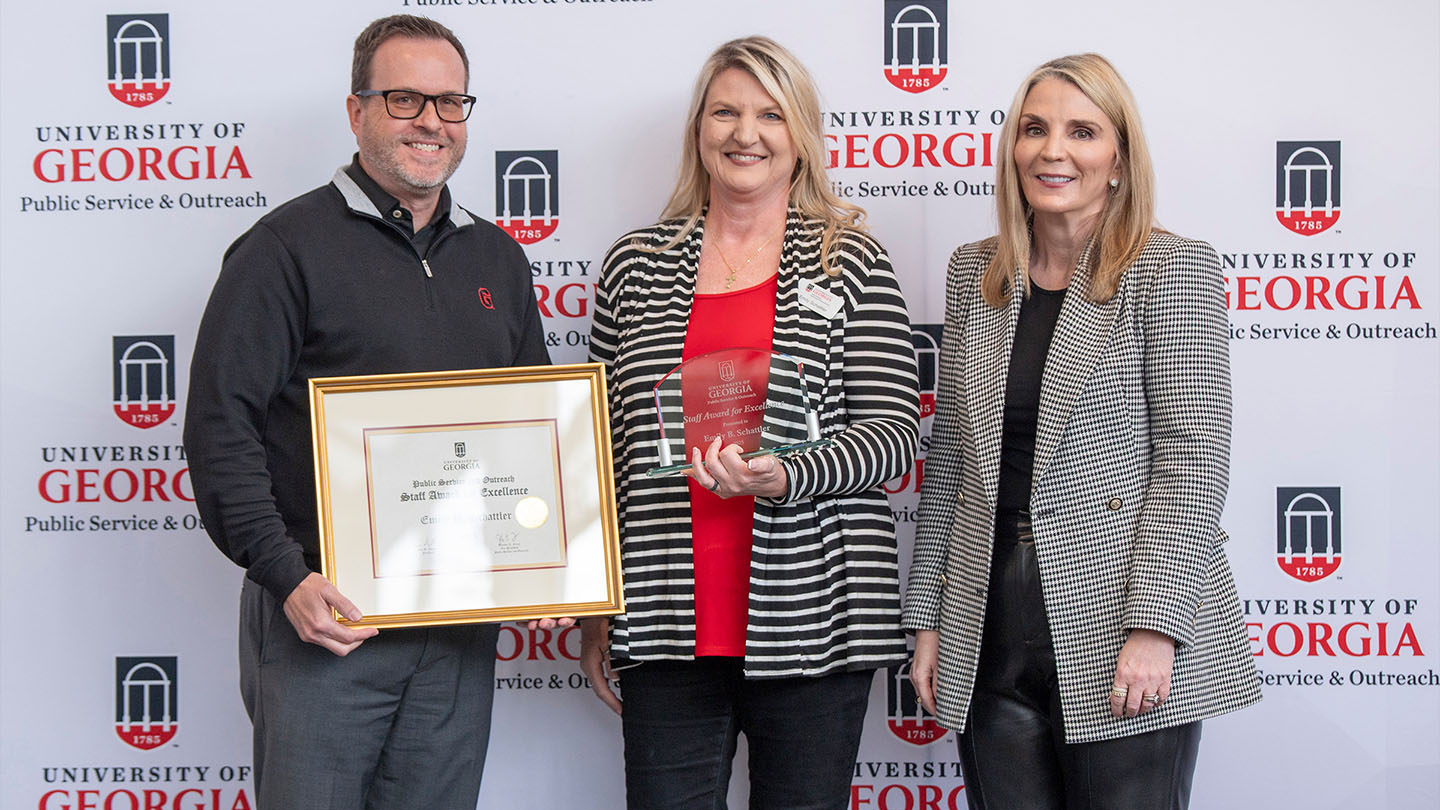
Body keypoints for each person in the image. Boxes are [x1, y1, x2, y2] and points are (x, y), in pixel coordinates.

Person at [183, 15, 549, 809]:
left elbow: (533, 431)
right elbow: (221, 428)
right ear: (357, 112)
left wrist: (550, 559)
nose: (431, 122)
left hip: (457, 630)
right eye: (405, 98)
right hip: (328, 624)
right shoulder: (283, 249)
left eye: (451, 103)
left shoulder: (497, 258)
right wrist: (288, 578)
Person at [902, 53, 1261, 809]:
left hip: (1119, 624)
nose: (1052, 150)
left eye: (1082, 131)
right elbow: (954, 466)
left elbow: (1192, 463)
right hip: (990, 626)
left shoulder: (1172, 269)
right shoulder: (978, 274)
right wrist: (929, 621)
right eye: (1034, 129)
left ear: (1119, 157)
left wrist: (1156, 627)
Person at [581, 36, 920, 810]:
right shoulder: (635, 265)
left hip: (819, 616)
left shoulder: (850, 261)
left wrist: (789, 473)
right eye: (725, 111)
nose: (745, 133)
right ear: (698, 129)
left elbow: (895, 432)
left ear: (799, 134)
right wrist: (596, 602)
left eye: (770, 113)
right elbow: (596, 453)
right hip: (664, 615)